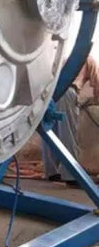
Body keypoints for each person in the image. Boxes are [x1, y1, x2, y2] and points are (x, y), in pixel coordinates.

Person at [43, 55, 99, 186]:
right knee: (68, 134)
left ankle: (51, 173)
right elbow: (97, 86)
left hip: (48, 95)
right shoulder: (90, 60)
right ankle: (71, 176)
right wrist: (95, 100)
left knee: (49, 133)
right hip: (66, 92)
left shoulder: (66, 58)